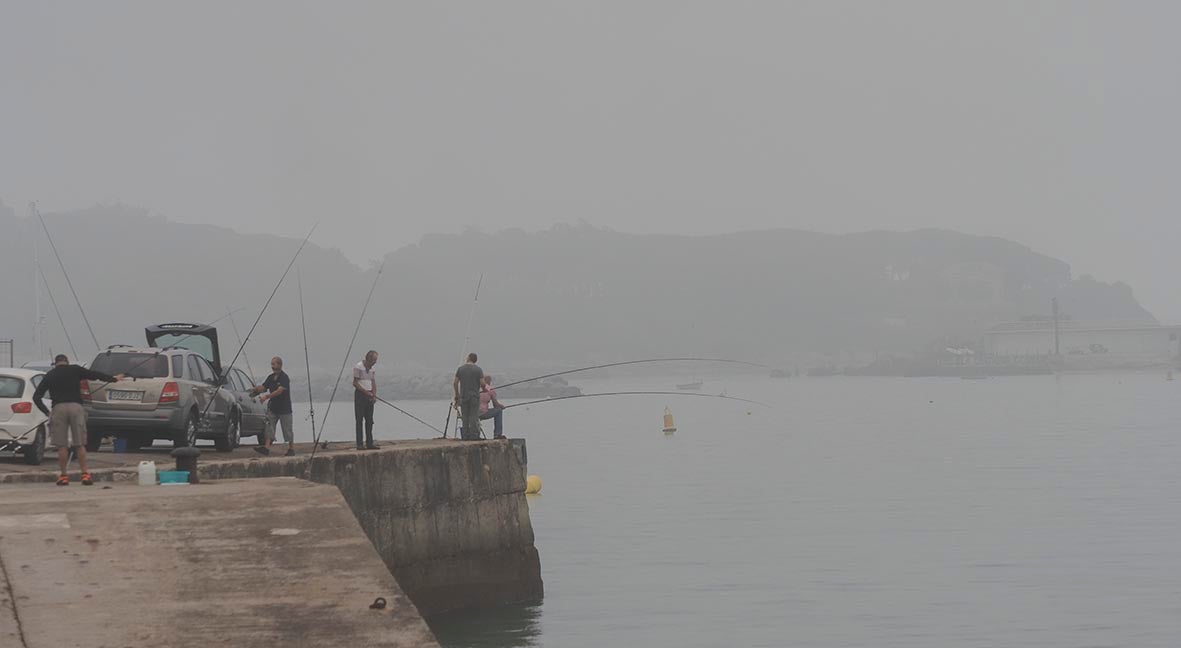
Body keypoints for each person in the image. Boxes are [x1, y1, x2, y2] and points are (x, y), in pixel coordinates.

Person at [32, 354, 122, 486]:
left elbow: (36, 397)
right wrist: (113, 379)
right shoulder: (75, 369)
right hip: (76, 408)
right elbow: (94, 374)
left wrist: (47, 412)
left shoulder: (49, 375)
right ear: (66, 362)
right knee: (79, 444)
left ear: (55, 363)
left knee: (62, 446)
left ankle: (63, 476)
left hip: (58, 408)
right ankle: (85, 475)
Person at [249, 357, 293, 456]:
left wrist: (267, 397)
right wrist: (256, 389)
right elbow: (264, 387)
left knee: (287, 429)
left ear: (279, 365)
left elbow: (279, 391)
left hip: (285, 409)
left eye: (274, 364)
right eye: (271, 364)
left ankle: (291, 449)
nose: (272, 366)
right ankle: (266, 448)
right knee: (269, 427)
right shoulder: (270, 377)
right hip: (273, 408)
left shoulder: (284, 377)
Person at [453, 353, 484, 440]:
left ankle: (465, 436)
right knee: (474, 417)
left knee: (465, 417)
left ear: (469, 358)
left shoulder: (460, 369)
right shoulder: (478, 370)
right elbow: (482, 383)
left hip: (463, 396)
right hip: (474, 397)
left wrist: (457, 394)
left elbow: (455, 383)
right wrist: (485, 388)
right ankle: (474, 436)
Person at [353, 350, 378, 450]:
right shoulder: (358, 366)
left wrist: (374, 395)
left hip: (369, 395)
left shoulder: (372, 369)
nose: (375, 362)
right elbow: (355, 383)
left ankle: (369, 443)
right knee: (359, 420)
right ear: (368, 359)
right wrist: (365, 392)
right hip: (360, 395)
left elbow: (373, 382)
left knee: (370, 420)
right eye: (374, 360)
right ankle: (359, 444)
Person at [478, 375, 507, 440]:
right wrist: (502, 406)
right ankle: (497, 434)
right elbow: (496, 405)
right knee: (499, 411)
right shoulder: (490, 390)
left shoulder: (475, 388)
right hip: (483, 413)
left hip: (472, 414)